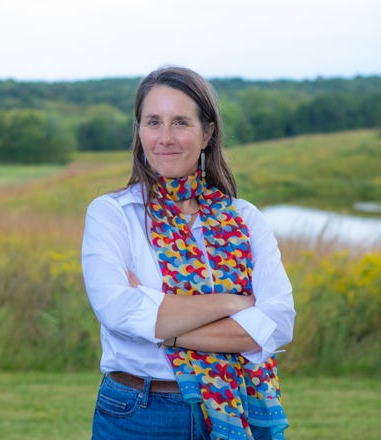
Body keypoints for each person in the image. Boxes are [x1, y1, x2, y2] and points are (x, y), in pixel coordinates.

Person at [81, 66, 295, 440]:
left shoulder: (244, 218)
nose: (165, 138)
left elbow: (277, 323)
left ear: (207, 133)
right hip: (138, 413)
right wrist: (235, 302)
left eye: (180, 122)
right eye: (153, 122)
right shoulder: (113, 213)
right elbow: (118, 311)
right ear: (139, 131)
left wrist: (162, 323)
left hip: (234, 402)